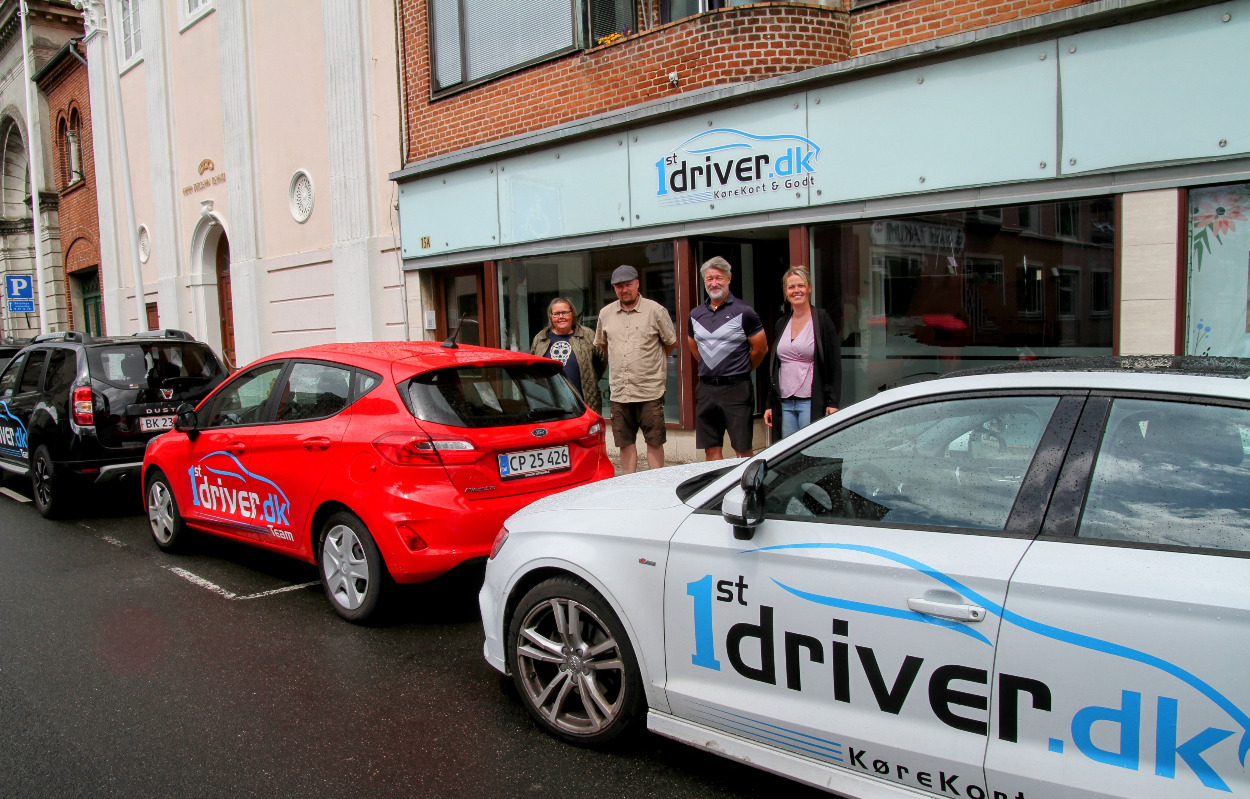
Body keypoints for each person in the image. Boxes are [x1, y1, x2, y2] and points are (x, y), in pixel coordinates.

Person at [595, 265, 678, 473]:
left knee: (654, 441)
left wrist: (652, 363)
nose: (624, 290)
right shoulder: (606, 314)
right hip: (620, 392)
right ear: (614, 288)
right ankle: (628, 485)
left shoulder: (655, 311)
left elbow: (670, 343)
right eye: (619, 286)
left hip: (649, 390)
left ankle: (657, 484)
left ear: (637, 284)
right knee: (624, 442)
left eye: (628, 285)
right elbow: (604, 345)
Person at [687, 256, 768, 461]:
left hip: (736, 389)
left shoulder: (744, 312)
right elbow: (694, 347)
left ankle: (746, 489)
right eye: (709, 278)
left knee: (742, 447)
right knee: (711, 448)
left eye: (719, 278)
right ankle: (716, 489)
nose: (714, 283)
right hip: (706, 389)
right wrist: (713, 369)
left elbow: (761, 349)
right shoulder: (695, 315)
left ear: (729, 279)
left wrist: (740, 369)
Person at [763, 266, 841, 440]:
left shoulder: (822, 319)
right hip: (784, 403)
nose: (796, 291)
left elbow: (834, 363)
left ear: (809, 288)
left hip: (811, 401)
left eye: (801, 286)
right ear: (785, 292)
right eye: (791, 287)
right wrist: (769, 404)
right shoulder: (781, 323)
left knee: (811, 450)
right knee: (787, 453)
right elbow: (775, 367)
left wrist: (833, 402)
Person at [529, 297, 607, 411]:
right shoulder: (541, 338)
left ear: (572, 314)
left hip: (583, 403)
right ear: (550, 316)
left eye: (565, 313)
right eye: (556, 314)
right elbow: (533, 367)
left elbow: (601, 361)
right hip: (549, 404)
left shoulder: (587, 335)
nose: (561, 317)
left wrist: (589, 377)